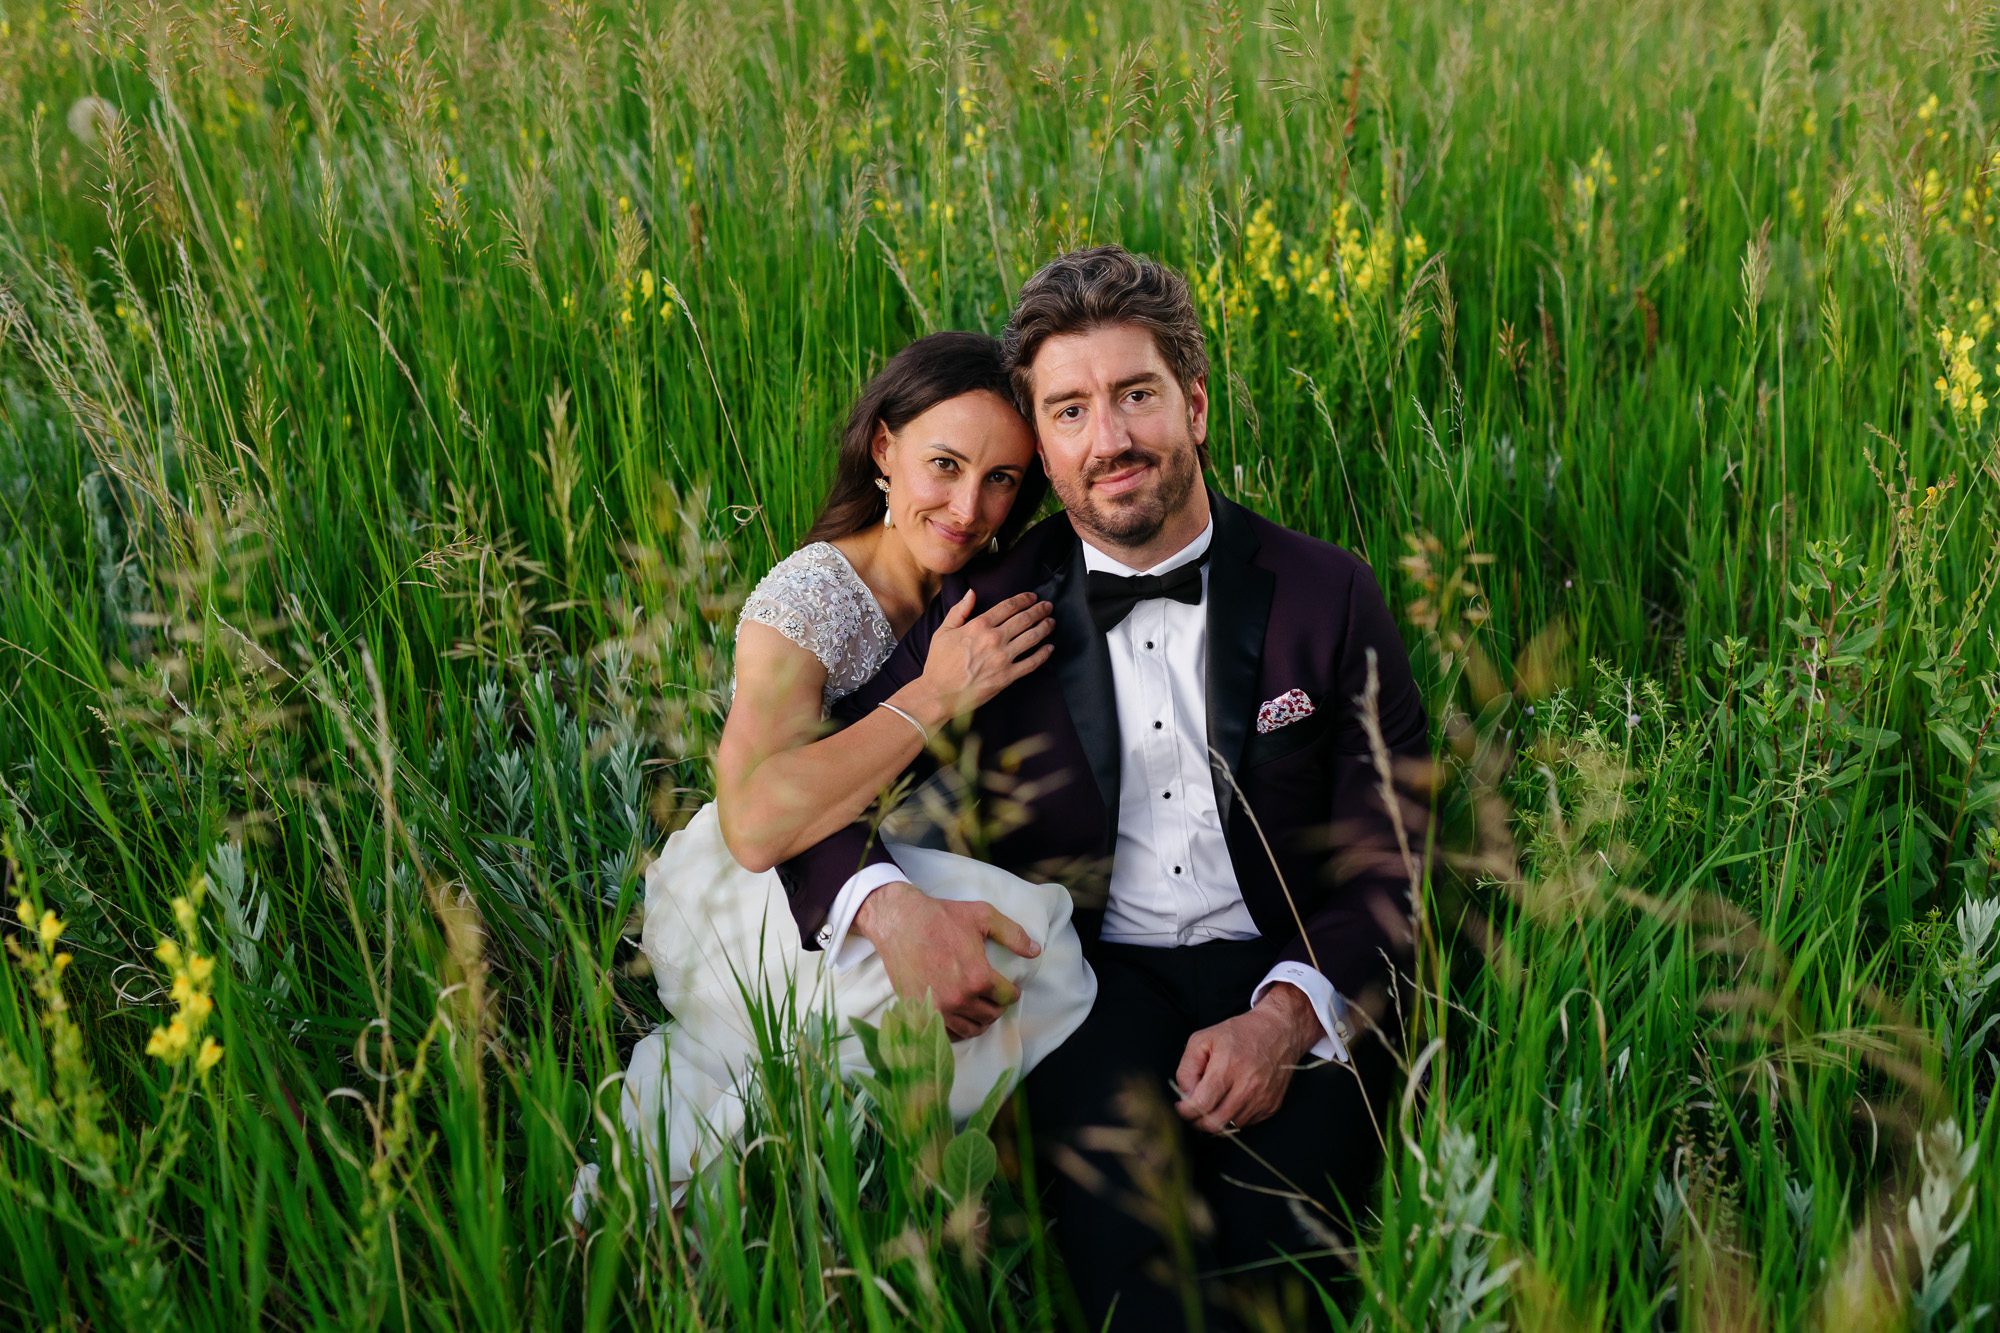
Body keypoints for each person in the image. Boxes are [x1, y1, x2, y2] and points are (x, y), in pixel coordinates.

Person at [778, 247, 1434, 1329]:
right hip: (1082, 986)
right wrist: (883, 906)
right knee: (1134, 1278)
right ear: (1040, 443)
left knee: (1282, 1273)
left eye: (1135, 396)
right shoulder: (983, 605)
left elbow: (1398, 851)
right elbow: (809, 789)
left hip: (1293, 970)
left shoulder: (1327, 593)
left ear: (1195, 405)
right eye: (1069, 410)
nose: (1111, 439)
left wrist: (1283, 1018)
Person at [570, 331, 1097, 1221]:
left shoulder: (974, 581)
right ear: (884, 450)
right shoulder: (809, 596)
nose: (970, 506)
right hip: (748, 886)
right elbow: (755, 821)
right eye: (945, 464)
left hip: (885, 852)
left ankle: (857, 1168)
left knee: (1023, 953)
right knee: (1025, 956)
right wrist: (933, 696)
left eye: (1002, 477)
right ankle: (735, 1188)